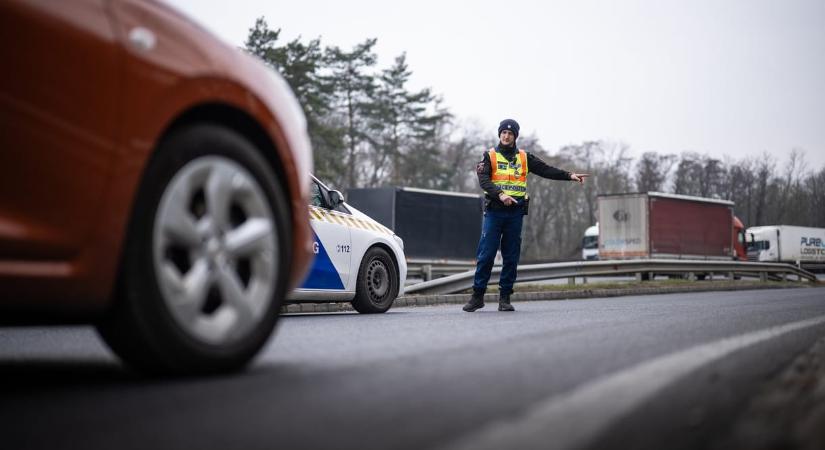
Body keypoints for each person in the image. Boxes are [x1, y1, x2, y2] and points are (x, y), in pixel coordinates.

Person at [463, 119, 589, 312]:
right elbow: (484, 180)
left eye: (510, 133)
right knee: (486, 255)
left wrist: (569, 175)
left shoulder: (524, 157)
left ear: (515, 137)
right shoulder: (489, 156)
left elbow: (546, 170)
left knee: (511, 257)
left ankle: (505, 298)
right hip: (494, 212)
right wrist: (501, 194)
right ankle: (477, 296)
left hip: (515, 213)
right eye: (503, 133)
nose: (506, 136)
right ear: (499, 134)